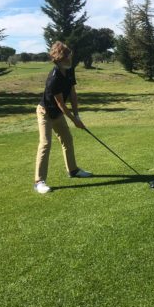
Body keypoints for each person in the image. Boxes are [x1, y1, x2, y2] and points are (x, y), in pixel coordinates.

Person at [34, 41, 92, 194]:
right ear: (60, 58)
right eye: (68, 56)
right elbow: (60, 104)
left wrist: (77, 115)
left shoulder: (70, 70)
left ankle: (73, 170)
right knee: (45, 143)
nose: (70, 58)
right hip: (45, 112)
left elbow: (72, 93)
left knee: (67, 139)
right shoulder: (54, 78)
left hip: (58, 113)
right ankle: (39, 181)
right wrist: (74, 120)